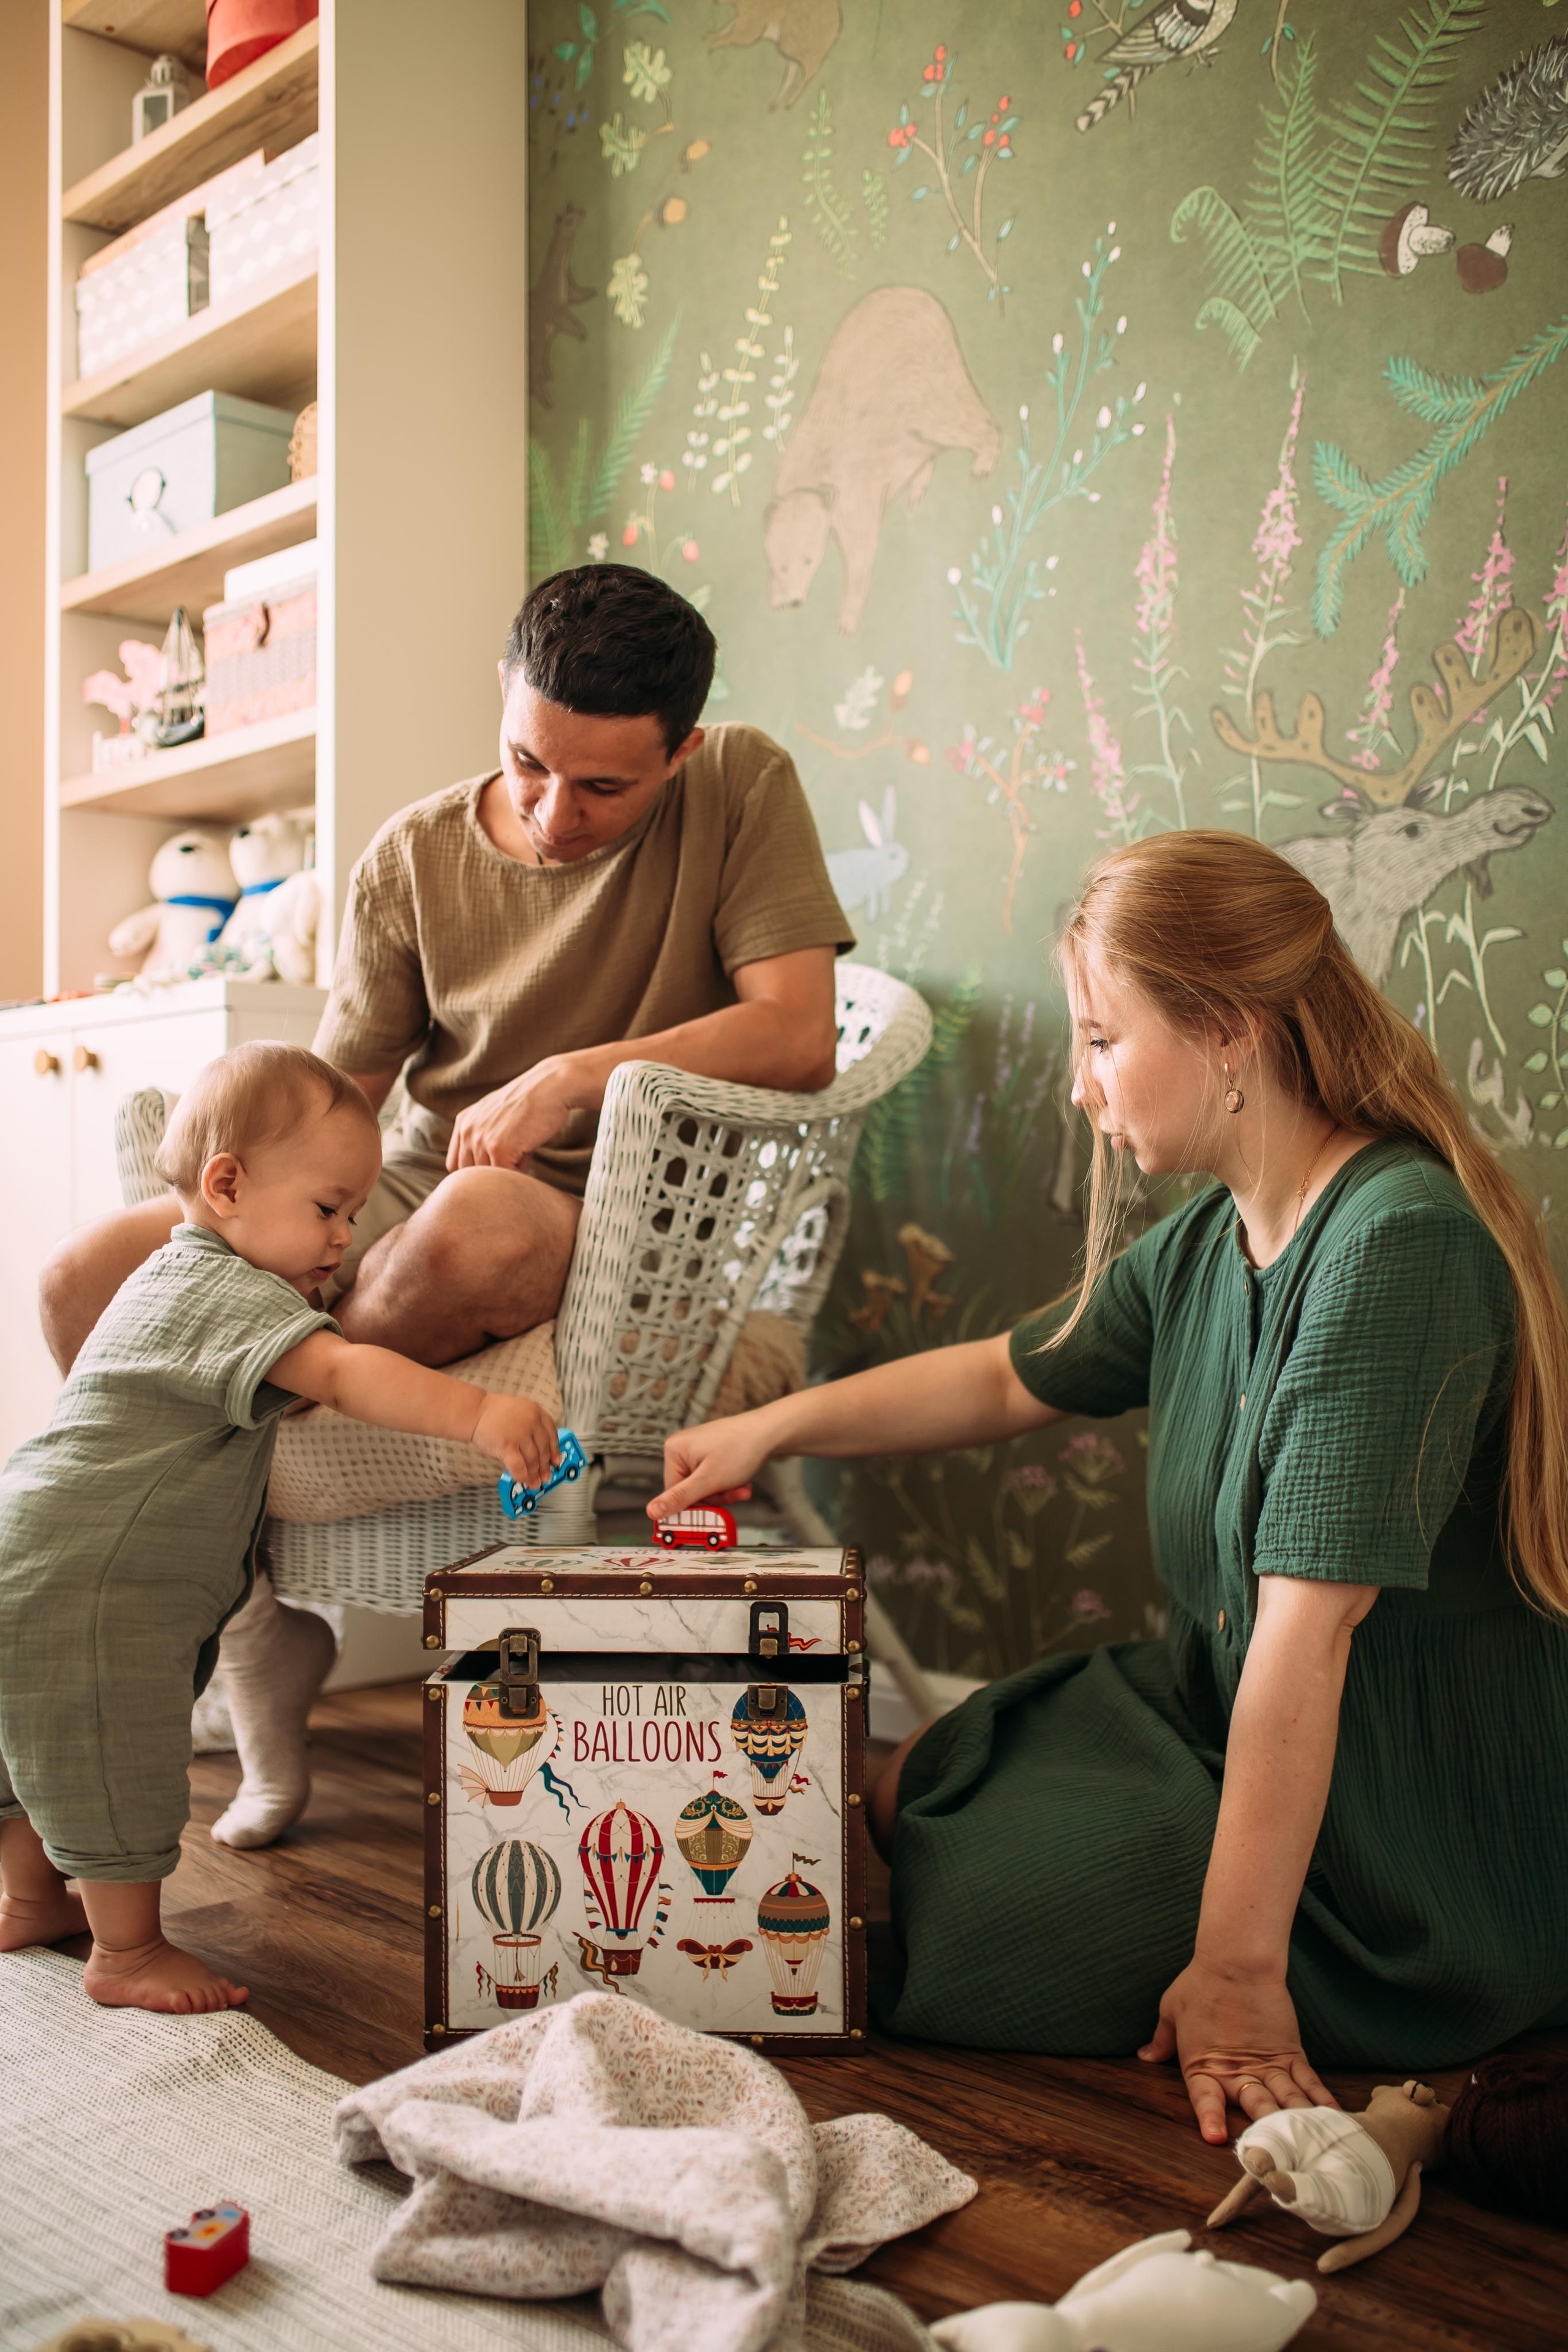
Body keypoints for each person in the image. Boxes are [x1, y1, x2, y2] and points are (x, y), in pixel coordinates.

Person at [650, 828, 1568, 2143]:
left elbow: (1310, 1641)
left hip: (1393, 1838)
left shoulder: (1393, 1247)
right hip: (1210, 1702)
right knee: (914, 1784)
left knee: (957, 1917)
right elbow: (1000, 1380)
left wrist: (1242, 1979)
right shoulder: (1213, 1235)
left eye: (1098, 1039)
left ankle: (1241, 1932)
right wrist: (767, 1431)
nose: (1082, 1089)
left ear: (1228, 1033)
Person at [36, 566, 851, 1847]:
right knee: (82, 1277)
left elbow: (799, 1034)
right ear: (503, 702)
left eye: (602, 788)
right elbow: (334, 1095)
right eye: (527, 763)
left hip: (611, 1205)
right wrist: (247, 1194)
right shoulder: (413, 854)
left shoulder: (741, 782)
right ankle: (250, 1609)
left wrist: (572, 1079)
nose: (551, 810)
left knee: (482, 1219)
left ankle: (268, 1409)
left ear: (679, 751)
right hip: (408, 1182)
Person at [0, 1044, 562, 2013]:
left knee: (37, 1743)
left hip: (39, 1547)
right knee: (113, 1752)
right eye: (329, 1209)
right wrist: (478, 1414)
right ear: (227, 1185)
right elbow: (347, 1374)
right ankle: (126, 1955)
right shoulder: (233, 1293)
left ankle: (29, 1897)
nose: (345, 1236)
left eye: (352, 1214)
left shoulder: (163, 1278)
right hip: (95, 1581)